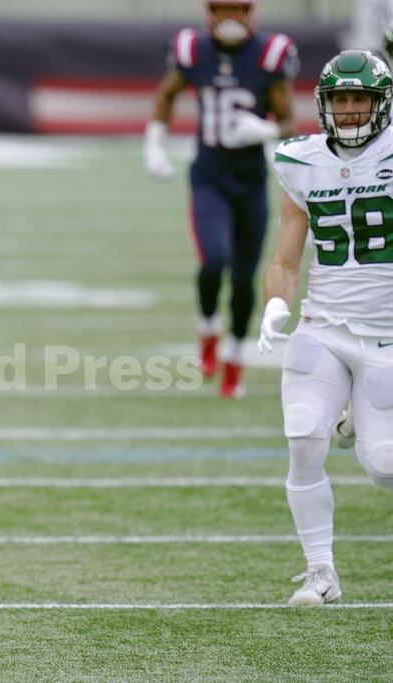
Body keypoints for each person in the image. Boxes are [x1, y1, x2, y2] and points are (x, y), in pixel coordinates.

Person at [259, 49, 393, 606]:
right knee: (303, 438)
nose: (352, 110)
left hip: (387, 335)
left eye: (361, 99)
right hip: (324, 326)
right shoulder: (301, 160)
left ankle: (356, 417)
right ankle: (321, 573)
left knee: (384, 469)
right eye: (341, 99)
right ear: (324, 104)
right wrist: (275, 304)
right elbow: (288, 258)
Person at [144, 0, 298, 397]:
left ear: (251, 13)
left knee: (246, 278)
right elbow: (167, 94)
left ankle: (234, 360)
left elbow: (287, 121)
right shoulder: (193, 49)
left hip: (250, 180)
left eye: (237, 9)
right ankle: (209, 330)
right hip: (210, 175)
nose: (231, 19)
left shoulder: (270, 53)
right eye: (223, 9)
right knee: (214, 260)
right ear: (209, 13)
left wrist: (263, 130)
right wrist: (155, 146)